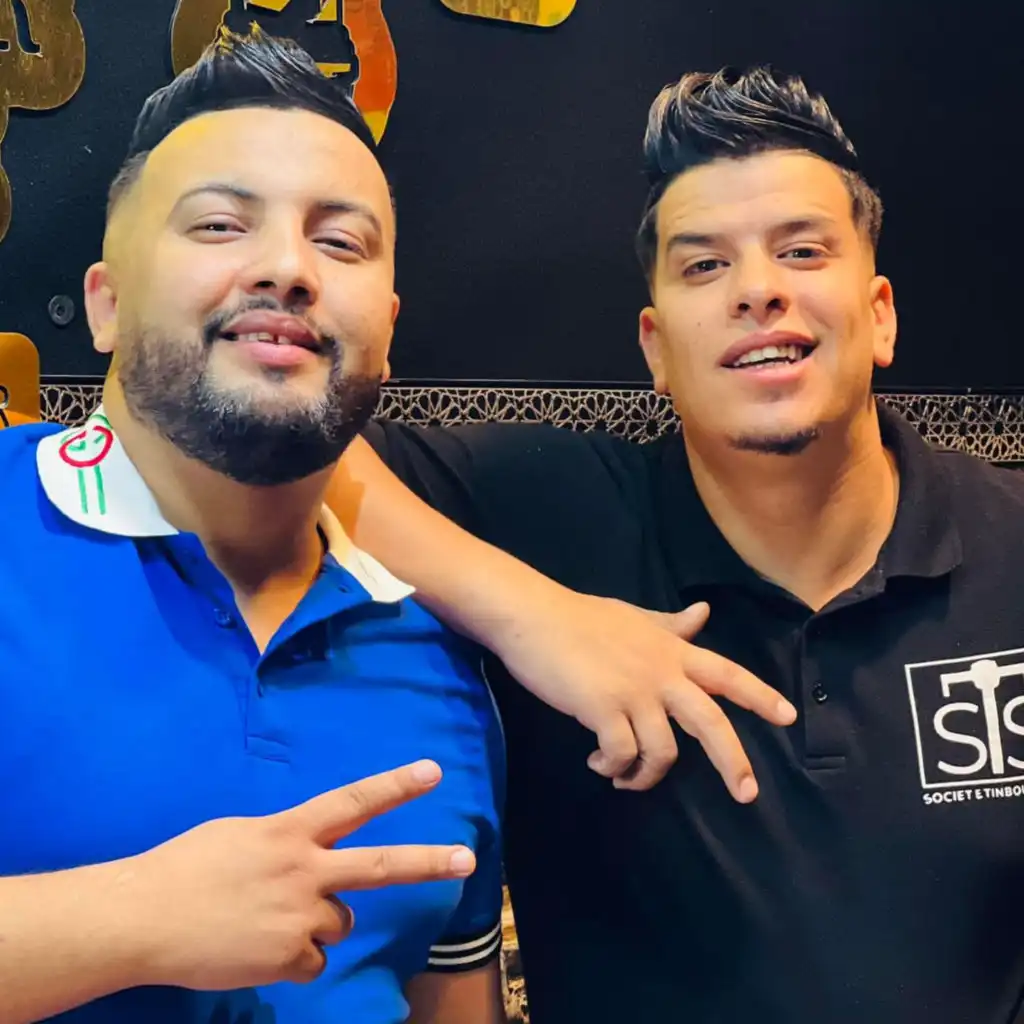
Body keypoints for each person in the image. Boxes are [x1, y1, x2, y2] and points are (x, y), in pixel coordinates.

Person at [0, 31, 798, 1023]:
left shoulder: (435, 664)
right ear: (107, 304)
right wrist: (129, 920)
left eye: (339, 242)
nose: (286, 266)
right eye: (220, 225)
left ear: (386, 328)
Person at [331, 68, 1024, 1023]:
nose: (759, 291)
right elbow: (293, 452)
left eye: (802, 251)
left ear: (880, 314)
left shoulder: (1009, 539)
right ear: (655, 348)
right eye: (705, 266)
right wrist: (534, 617)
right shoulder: (553, 513)